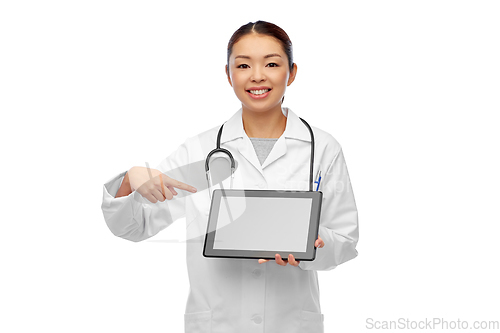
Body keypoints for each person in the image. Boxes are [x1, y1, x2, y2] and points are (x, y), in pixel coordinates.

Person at [101, 20, 359, 333]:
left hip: (291, 323)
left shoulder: (323, 148)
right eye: (243, 65)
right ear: (228, 75)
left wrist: (313, 243)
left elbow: (345, 241)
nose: (257, 76)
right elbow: (132, 226)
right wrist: (130, 181)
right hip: (217, 324)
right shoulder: (200, 150)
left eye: (272, 64)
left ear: (291, 72)